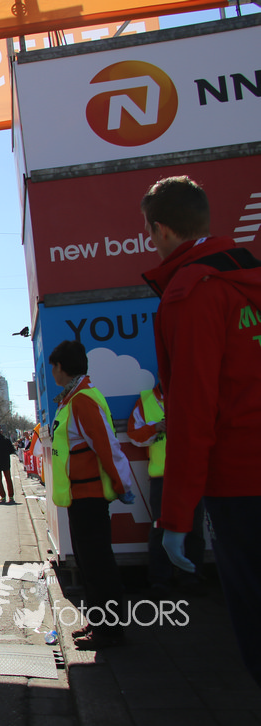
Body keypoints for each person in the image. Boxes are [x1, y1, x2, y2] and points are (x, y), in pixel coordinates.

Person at [140, 175, 261, 686]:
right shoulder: (248, 277)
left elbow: (192, 413)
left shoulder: (190, 294)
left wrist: (175, 518)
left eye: (149, 231)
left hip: (241, 485)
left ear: (162, 230)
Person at [48, 340, 135, 650]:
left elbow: (106, 447)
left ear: (61, 367)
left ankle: (109, 631)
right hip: (80, 496)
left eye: (53, 367)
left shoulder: (81, 400)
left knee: (98, 565)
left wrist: (123, 486)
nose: (52, 373)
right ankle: (99, 622)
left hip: (90, 496)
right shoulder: (74, 397)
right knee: (89, 564)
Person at [126, 383, 204, 596]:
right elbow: (134, 435)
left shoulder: (193, 396)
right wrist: (156, 428)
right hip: (163, 478)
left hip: (191, 476)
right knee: (160, 529)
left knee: (194, 529)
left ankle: (192, 578)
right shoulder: (146, 401)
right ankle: (160, 581)